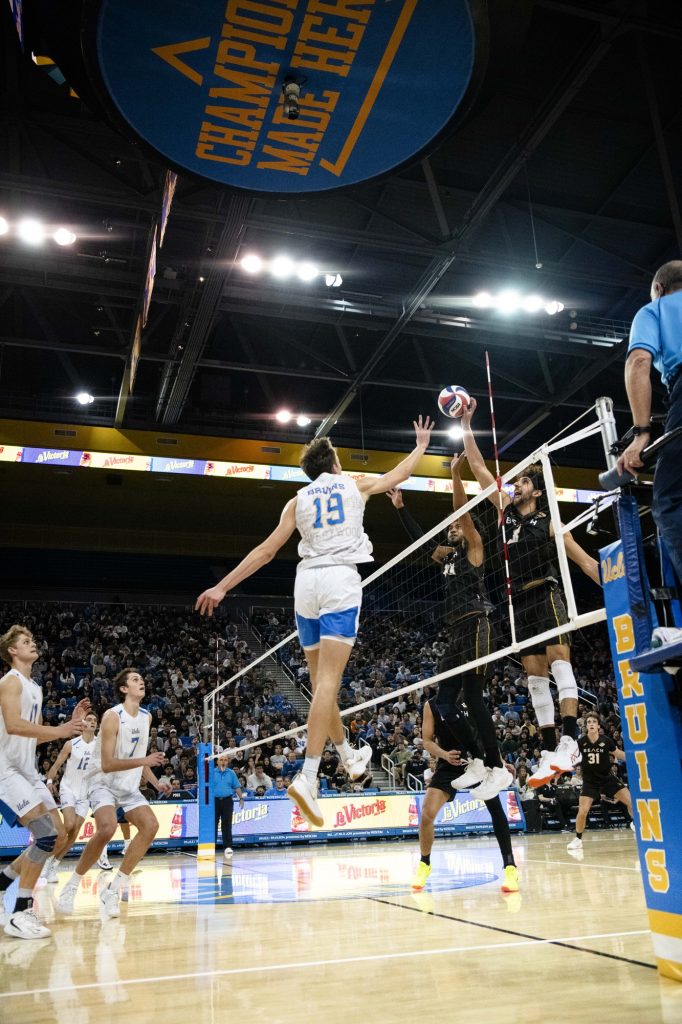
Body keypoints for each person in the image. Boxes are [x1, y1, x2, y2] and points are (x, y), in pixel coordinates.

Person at [196, 417, 434, 826]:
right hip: (340, 579)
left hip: (305, 584)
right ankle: (308, 776)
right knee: (328, 684)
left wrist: (222, 586)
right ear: (335, 463)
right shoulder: (353, 484)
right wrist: (420, 445)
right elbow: (402, 473)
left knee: (321, 685)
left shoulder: (297, 500)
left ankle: (347, 755)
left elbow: (267, 551)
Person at [461, 399, 600, 787]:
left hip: (545, 593)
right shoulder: (505, 512)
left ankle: (570, 740)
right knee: (535, 679)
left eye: (522, 480)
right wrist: (468, 425)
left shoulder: (549, 521)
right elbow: (478, 468)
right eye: (515, 480)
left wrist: (621, 583)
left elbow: (586, 563)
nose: (515, 483)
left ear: (535, 492)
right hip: (515, 602)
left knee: (559, 661)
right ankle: (549, 750)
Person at [388, 453, 512, 800]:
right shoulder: (448, 557)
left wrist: (456, 475)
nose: (452, 529)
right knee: (443, 702)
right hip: (456, 631)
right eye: (450, 528)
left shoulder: (474, 548)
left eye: (455, 526)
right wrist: (401, 508)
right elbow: (423, 542)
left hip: (478, 623)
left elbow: (462, 512)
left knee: (472, 698)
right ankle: (475, 760)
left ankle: (496, 767)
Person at [56, 668, 172, 918]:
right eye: (134, 680)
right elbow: (108, 764)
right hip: (102, 782)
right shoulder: (112, 717)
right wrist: (146, 760)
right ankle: (72, 885)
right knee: (107, 828)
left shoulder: (146, 716)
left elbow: (140, 759)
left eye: (141, 679)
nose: (141, 682)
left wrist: (155, 783)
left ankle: (112, 890)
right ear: (123, 689)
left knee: (151, 826)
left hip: (128, 786)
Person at [0, 625, 89, 939]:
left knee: (60, 835)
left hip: (27, 770)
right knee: (45, 834)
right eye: (26, 642)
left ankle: (3, 883)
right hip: (5, 772)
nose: (32, 644)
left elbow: (33, 737)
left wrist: (71, 725)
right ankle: (19, 912)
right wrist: (61, 731)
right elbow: (12, 725)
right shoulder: (10, 682)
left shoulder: (34, 687)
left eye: (33, 640)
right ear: (13, 651)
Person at [618, 260, 682, 611]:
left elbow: (639, 363)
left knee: (671, 500)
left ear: (659, 288)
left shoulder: (655, 308)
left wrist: (642, 434)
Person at [412, 687, 519, 894]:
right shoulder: (432, 705)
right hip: (450, 763)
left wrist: (499, 762)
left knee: (496, 810)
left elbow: (486, 733)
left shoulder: (472, 697)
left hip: (479, 761)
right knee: (427, 814)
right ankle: (424, 864)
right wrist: (443, 754)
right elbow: (426, 741)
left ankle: (510, 868)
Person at [42, 711, 99, 884]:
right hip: (68, 788)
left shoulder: (101, 745)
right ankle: (46, 858)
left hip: (86, 793)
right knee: (68, 824)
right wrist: (50, 780)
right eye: (89, 720)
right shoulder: (71, 744)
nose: (92, 722)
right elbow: (57, 764)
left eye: (95, 720)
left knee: (74, 833)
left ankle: (54, 864)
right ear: (82, 724)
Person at [567, 713, 634, 853]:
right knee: (583, 811)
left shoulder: (606, 740)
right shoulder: (580, 742)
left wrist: (635, 757)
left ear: (598, 726)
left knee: (631, 802)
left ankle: (636, 824)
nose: (591, 723)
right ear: (586, 726)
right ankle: (578, 839)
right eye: (589, 722)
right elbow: (569, 758)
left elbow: (618, 754)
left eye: (594, 722)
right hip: (590, 782)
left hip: (607, 778)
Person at [214, 754, 244, 858]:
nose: (223, 762)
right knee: (213, 824)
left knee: (227, 824)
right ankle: (211, 846)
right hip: (214, 801)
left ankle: (228, 847)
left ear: (228, 762)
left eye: (225, 760)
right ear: (217, 761)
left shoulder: (231, 773)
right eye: (221, 760)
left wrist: (241, 798)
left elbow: (237, 787)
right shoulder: (211, 772)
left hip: (227, 800)